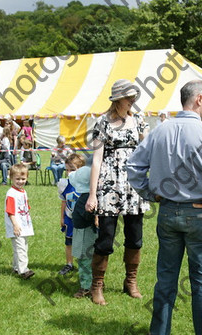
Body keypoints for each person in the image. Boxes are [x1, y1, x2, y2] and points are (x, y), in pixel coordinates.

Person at [127, 79, 202, 335]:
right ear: (199, 100)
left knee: (165, 276)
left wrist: (150, 194)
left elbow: (133, 166)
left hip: (167, 211)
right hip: (200, 213)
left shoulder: (159, 130)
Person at [85, 79, 150, 306]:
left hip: (134, 186)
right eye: (128, 97)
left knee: (135, 236)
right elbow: (96, 160)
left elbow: (148, 151)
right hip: (109, 185)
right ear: (117, 99)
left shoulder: (140, 121)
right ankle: (97, 286)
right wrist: (92, 194)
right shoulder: (102, 122)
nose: (132, 100)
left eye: (134, 97)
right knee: (105, 238)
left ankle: (130, 282)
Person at [69, 163, 97, 298]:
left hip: (85, 234)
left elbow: (88, 216)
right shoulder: (91, 197)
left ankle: (86, 286)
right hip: (87, 232)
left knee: (84, 259)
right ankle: (94, 282)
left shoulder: (85, 199)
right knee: (90, 259)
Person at [57, 153, 86, 275]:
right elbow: (64, 201)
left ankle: (84, 264)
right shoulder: (64, 184)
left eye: (72, 170)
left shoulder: (86, 184)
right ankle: (69, 264)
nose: (69, 173)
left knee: (84, 242)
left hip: (83, 218)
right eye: (67, 170)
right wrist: (62, 217)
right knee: (69, 241)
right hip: (69, 218)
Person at [5, 163, 35, 280]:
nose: (20, 181)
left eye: (23, 179)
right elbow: (10, 212)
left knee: (22, 247)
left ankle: (16, 267)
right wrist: (15, 225)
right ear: (11, 178)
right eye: (17, 179)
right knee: (20, 248)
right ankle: (24, 270)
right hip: (16, 226)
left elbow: (26, 206)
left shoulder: (23, 191)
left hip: (24, 224)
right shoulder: (11, 193)